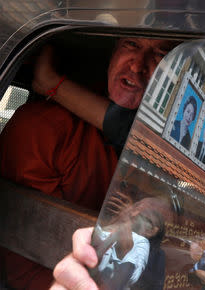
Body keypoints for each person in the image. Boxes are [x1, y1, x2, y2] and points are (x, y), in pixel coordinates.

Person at [0, 37, 176, 289]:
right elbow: (24, 263)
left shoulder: (162, 153)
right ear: (112, 53)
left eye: (161, 54)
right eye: (131, 45)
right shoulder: (44, 129)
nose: (138, 66)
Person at [91, 197, 165, 290]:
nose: (134, 214)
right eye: (136, 207)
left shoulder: (142, 243)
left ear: (152, 231)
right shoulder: (113, 229)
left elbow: (130, 277)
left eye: (142, 215)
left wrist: (123, 251)